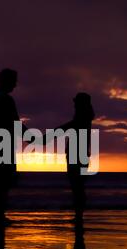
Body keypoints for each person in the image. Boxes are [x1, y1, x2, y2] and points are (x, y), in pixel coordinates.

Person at [46, 92, 95, 221]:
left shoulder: (82, 117)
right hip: (81, 155)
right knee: (78, 186)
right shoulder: (85, 117)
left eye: (76, 102)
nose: (74, 104)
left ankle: (79, 215)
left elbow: (67, 127)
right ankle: (79, 215)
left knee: (77, 186)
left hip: (77, 155)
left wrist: (49, 136)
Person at [0, 68, 27, 225]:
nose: (16, 84)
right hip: (4, 145)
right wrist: (35, 139)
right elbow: (16, 124)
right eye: (14, 80)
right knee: (4, 182)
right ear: (7, 80)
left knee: (1, 181)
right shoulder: (5, 99)